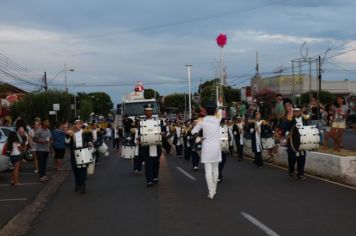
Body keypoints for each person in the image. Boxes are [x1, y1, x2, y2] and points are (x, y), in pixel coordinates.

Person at [191, 101, 222, 199]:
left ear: (206, 110)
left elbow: (193, 131)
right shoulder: (218, 119)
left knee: (208, 171)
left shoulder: (202, 120)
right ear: (214, 110)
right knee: (215, 169)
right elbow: (220, 110)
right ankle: (215, 190)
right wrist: (219, 105)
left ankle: (211, 192)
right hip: (216, 148)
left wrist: (200, 137)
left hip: (207, 148)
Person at [65, 118, 93, 194]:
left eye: (80, 124)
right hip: (74, 153)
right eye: (77, 124)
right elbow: (67, 143)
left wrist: (90, 142)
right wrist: (67, 136)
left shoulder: (84, 132)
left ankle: (83, 186)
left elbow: (89, 139)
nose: (79, 125)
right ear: (74, 125)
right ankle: (77, 184)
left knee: (83, 169)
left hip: (83, 152)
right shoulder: (70, 133)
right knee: (76, 170)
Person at [137, 104, 162, 187]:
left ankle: (155, 177)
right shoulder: (141, 123)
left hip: (156, 147)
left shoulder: (157, 121)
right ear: (145, 112)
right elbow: (139, 134)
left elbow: (162, 131)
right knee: (148, 164)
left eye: (150, 110)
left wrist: (163, 134)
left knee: (156, 163)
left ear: (152, 111)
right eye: (147, 111)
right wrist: (139, 138)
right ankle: (149, 180)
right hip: (147, 148)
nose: (149, 112)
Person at [284, 105, 309, 180]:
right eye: (294, 111)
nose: (296, 112)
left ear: (300, 112)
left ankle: (300, 174)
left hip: (302, 140)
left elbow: (308, 128)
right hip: (292, 140)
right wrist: (287, 134)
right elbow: (285, 128)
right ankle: (291, 171)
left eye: (297, 111)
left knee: (302, 158)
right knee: (292, 158)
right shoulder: (290, 119)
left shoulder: (304, 119)